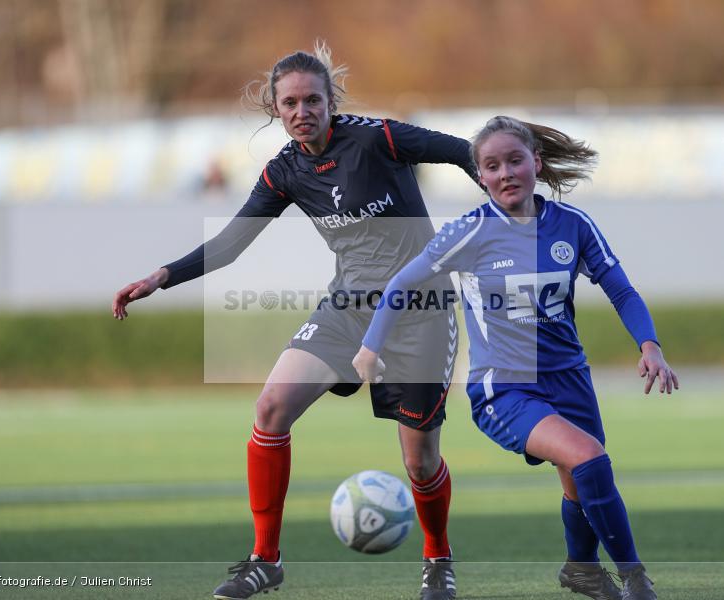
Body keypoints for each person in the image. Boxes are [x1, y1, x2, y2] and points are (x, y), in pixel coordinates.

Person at [112, 41, 478, 600]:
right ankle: (265, 559)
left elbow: (461, 151)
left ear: (331, 101)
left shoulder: (378, 137)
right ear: (275, 109)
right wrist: (162, 276)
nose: (301, 111)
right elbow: (232, 244)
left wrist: (510, 205)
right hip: (349, 308)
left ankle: (437, 559)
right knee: (270, 406)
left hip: (419, 314)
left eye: (312, 99)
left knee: (420, 461)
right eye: (290, 103)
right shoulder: (284, 171)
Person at [353, 115, 679, 600]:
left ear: (536, 163)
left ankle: (583, 568)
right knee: (590, 458)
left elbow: (620, 289)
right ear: (480, 176)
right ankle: (635, 579)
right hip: (504, 387)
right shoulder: (471, 232)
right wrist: (369, 346)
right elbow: (403, 283)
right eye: (492, 165)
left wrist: (649, 346)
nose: (505, 172)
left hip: (570, 379)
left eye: (514, 160)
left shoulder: (573, 224)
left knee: (578, 480)